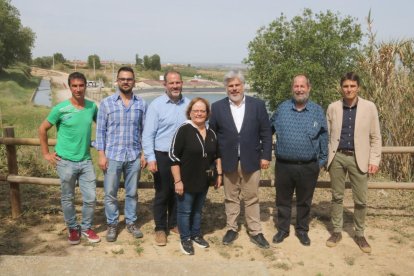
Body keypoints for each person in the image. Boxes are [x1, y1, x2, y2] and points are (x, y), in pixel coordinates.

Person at [209, 70, 272, 249]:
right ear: (226, 88)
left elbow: (266, 132)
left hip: (252, 159)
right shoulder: (217, 107)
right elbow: (212, 135)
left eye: (237, 85)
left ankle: (255, 231)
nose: (234, 89)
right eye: (230, 86)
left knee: (252, 197)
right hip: (228, 160)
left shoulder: (257, 105)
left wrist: (266, 155)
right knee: (231, 197)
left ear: (243, 86)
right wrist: (216, 160)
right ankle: (231, 228)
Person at [39, 72, 100, 245]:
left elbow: (102, 126)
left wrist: (100, 145)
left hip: (86, 160)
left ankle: (86, 227)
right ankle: (73, 228)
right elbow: (42, 129)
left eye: (81, 85)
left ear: (86, 86)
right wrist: (46, 153)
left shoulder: (92, 107)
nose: (78, 89)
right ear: (69, 87)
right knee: (68, 197)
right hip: (65, 161)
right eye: (74, 86)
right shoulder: (60, 109)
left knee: (91, 198)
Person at [325, 72, 381, 253]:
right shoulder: (333, 107)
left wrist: (374, 160)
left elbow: (375, 137)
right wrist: (326, 158)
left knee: (361, 199)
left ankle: (360, 234)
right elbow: (326, 136)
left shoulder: (369, 107)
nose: (349, 89)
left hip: (360, 158)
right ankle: (336, 231)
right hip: (337, 158)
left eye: (352, 86)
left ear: (358, 87)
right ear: (341, 88)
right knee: (337, 197)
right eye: (346, 86)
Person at [270, 74, 328, 246]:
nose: (299, 89)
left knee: (304, 201)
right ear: (292, 88)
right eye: (296, 86)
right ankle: (283, 230)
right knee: (282, 200)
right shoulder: (282, 108)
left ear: (309, 88)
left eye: (303, 86)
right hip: (284, 165)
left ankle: (302, 230)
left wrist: (321, 161)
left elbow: (324, 135)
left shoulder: (317, 110)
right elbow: (268, 129)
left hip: (308, 166)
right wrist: (264, 153)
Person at [95, 66, 147, 242]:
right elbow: (100, 131)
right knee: (110, 193)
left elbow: (144, 131)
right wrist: (101, 155)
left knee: (132, 192)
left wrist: (144, 154)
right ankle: (112, 224)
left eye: (129, 79)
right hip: (112, 156)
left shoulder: (141, 103)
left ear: (134, 81)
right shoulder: (107, 103)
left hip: (133, 155)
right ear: (117, 81)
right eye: (122, 79)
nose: (126, 82)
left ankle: (131, 222)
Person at [142, 70, 190, 246]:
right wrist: (150, 158)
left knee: (180, 191)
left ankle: (174, 224)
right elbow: (148, 134)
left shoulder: (189, 104)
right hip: (162, 155)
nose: (175, 86)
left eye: (178, 82)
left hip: (183, 157)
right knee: (162, 193)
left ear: (182, 83)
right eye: (171, 83)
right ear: (165, 85)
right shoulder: (156, 105)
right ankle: (160, 228)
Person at [169, 97, 222, 255]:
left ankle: (196, 234)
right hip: (186, 180)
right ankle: (185, 238)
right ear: (190, 112)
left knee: (198, 210)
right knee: (185, 211)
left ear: (207, 113)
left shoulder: (211, 132)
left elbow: (217, 155)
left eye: (202, 111)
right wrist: (178, 181)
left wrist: (219, 174)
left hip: (204, 180)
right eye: (196, 110)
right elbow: (173, 157)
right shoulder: (184, 129)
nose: (199, 113)